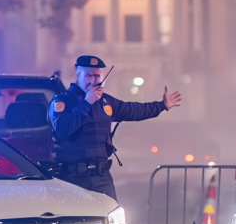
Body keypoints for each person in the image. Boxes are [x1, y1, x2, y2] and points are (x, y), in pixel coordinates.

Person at [48, 55, 181, 200]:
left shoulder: (106, 101)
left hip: (101, 177)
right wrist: (87, 103)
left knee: (111, 219)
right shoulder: (62, 101)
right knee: (75, 221)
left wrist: (162, 106)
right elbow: (62, 129)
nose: (93, 80)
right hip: (72, 178)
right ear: (78, 73)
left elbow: (134, 110)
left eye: (97, 76)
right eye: (89, 76)